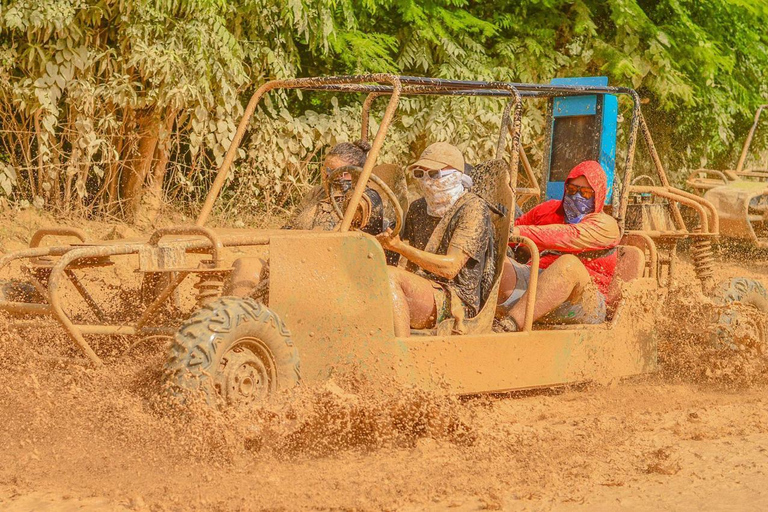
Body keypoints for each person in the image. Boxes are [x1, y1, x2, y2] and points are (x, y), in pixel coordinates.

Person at [377, 142, 495, 337]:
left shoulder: (473, 208)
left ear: (455, 175)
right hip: (425, 287)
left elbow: (450, 268)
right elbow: (409, 265)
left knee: (390, 278)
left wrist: (399, 248)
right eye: (420, 174)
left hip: (456, 299)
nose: (426, 181)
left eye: (434, 174)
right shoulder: (417, 208)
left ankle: (400, 353)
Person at [496, 160, 621, 330]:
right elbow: (512, 229)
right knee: (497, 263)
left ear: (598, 195)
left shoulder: (606, 225)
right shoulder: (546, 210)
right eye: (571, 190)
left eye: (585, 193)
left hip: (585, 301)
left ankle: (509, 325)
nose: (576, 197)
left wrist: (520, 232)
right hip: (538, 281)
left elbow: (568, 235)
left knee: (568, 265)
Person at [287, 140, 386, 235]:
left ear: (356, 174)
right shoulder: (317, 192)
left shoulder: (365, 199)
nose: (328, 176)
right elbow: (289, 226)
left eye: (338, 172)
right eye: (326, 170)